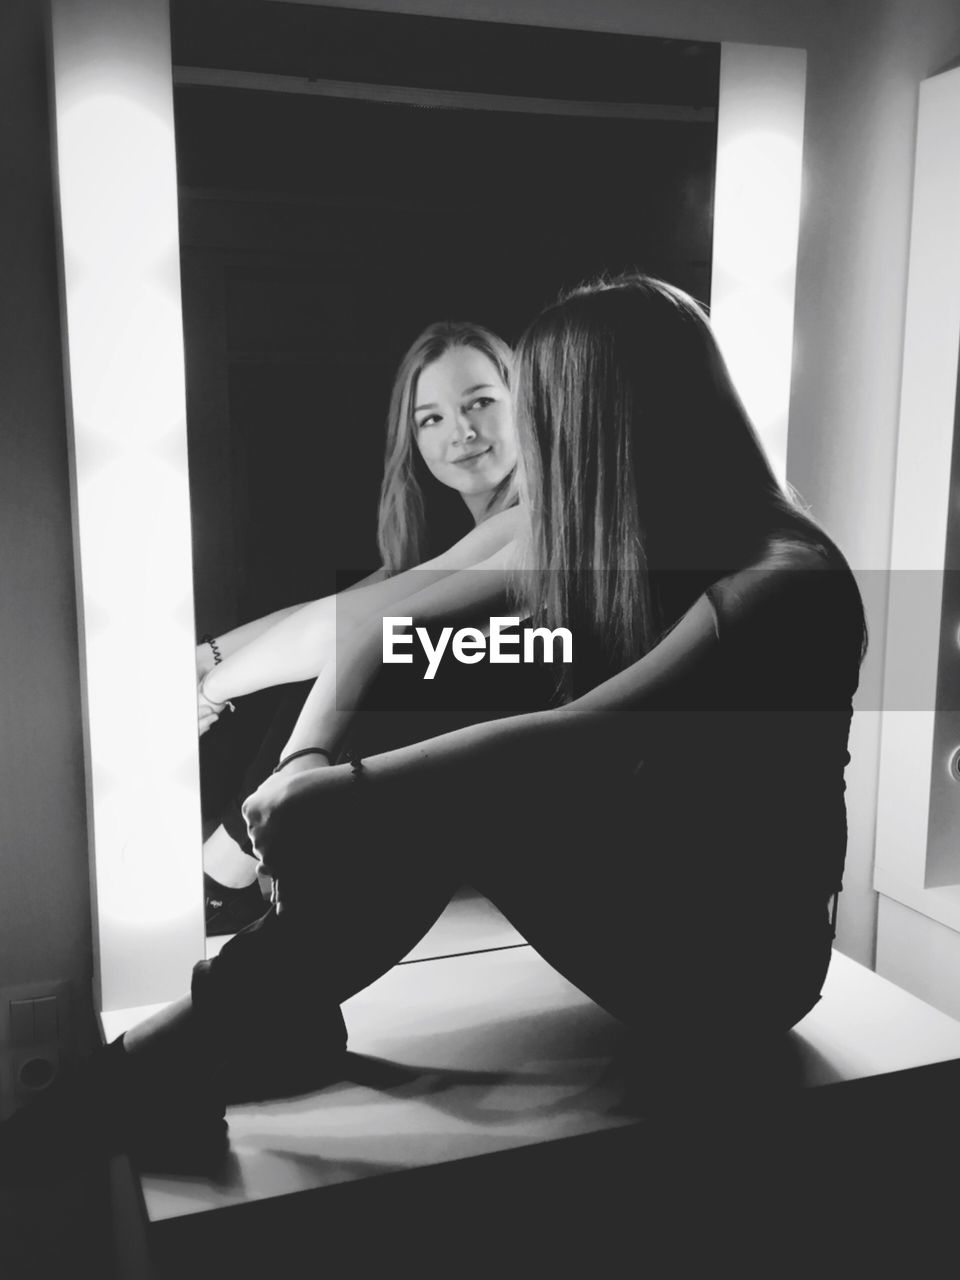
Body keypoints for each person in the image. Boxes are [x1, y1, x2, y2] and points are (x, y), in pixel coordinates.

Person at [1, 274, 866, 1176]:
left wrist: (350, 794)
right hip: (659, 878)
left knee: (466, 778)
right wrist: (306, 760)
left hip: (737, 970)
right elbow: (379, 629)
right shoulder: (615, 535)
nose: (529, 440)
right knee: (435, 677)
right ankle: (227, 1027)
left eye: (537, 411)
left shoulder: (780, 582)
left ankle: (188, 1045)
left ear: (602, 420)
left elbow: (589, 737)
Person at [197, 320, 526, 932]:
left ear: (524, 406)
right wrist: (205, 658)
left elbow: (345, 630)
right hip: (466, 782)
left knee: (383, 658)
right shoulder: (451, 537)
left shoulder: (536, 520)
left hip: (533, 783)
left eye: (480, 402)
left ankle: (227, 871)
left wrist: (211, 690)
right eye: (431, 418)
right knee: (340, 648)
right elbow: (329, 611)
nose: (462, 432)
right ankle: (230, 869)